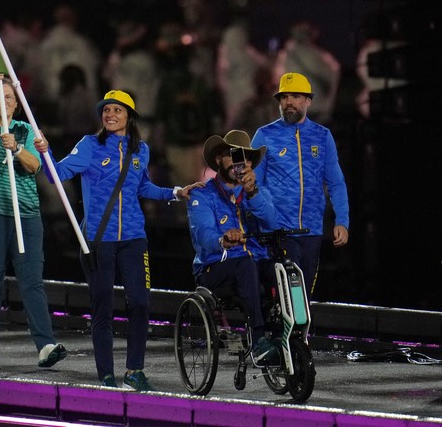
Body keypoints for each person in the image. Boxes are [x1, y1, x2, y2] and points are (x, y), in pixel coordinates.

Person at [35, 90, 201, 391]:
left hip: (134, 238)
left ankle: (134, 371)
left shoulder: (142, 150)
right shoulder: (89, 145)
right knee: (103, 307)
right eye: (106, 110)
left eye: (117, 110)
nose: (110, 114)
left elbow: (144, 187)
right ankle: (107, 375)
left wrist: (174, 193)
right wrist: (44, 154)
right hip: (99, 240)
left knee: (140, 302)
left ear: (130, 117)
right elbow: (56, 176)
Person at [0, 75, 67, 371]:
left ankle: (45, 344)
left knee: (32, 281)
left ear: (17, 103)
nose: (3, 101)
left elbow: (35, 166)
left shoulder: (27, 130)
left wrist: (18, 148)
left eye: (9, 97)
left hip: (27, 214)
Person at [251, 72, 350, 297]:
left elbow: (336, 183)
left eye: (295, 96)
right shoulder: (264, 135)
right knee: (292, 292)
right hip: (279, 231)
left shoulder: (322, 136)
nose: (288, 102)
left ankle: (293, 332)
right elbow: (252, 184)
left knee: (303, 295)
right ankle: (282, 330)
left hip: (312, 230)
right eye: (284, 97)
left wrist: (342, 220)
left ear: (308, 100)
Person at [186, 130, 279, 365]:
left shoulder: (256, 192)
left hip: (253, 264)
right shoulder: (202, 195)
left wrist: (253, 193)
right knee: (246, 266)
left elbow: (272, 223)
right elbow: (203, 234)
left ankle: (286, 335)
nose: (241, 163)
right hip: (215, 267)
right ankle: (258, 340)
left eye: (246, 158)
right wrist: (222, 240)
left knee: (282, 269)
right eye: (233, 155)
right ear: (219, 158)